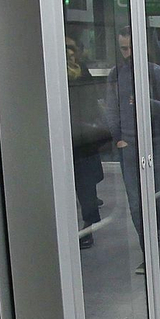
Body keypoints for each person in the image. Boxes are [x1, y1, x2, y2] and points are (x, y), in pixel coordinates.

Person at [110, 26, 160, 274]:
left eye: (129, 48)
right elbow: (112, 108)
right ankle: (148, 253)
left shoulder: (155, 73)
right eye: (122, 49)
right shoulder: (116, 74)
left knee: (157, 196)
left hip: (156, 142)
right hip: (128, 145)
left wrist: (146, 103)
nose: (126, 54)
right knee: (135, 203)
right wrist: (117, 138)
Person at [66, 34, 111, 249]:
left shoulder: (82, 72)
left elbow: (93, 101)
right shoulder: (53, 70)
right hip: (64, 138)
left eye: (71, 48)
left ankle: (89, 225)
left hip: (83, 140)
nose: (68, 53)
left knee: (86, 187)